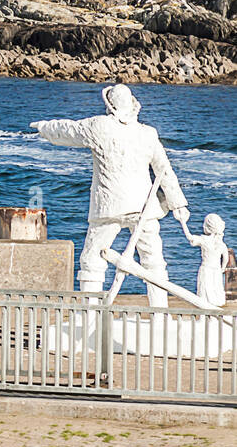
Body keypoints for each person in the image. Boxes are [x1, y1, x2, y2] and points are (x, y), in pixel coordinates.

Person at [31, 84, 190, 305]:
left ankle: (89, 314)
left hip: (109, 207)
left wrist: (44, 127)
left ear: (110, 105)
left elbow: (68, 130)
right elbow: (164, 170)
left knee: (91, 261)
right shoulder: (148, 133)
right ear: (133, 105)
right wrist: (177, 204)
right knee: (153, 261)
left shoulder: (99, 126)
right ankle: (159, 313)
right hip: (143, 208)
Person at [184, 214, 230, 309]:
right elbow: (225, 258)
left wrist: (183, 222)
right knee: (216, 288)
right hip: (216, 270)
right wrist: (222, 268)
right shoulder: (221, 244)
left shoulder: (204, 240)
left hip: (206, 268)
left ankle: (206, 311)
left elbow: (189, 237)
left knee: (205, 291)